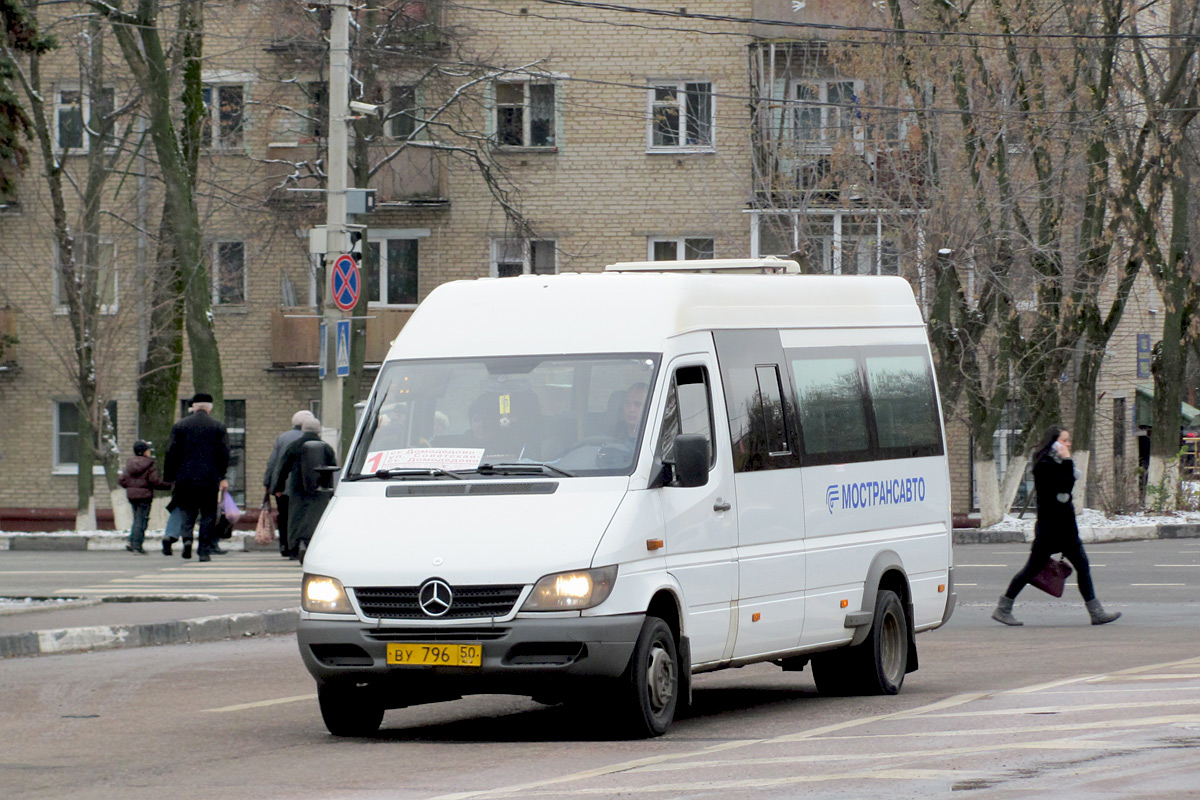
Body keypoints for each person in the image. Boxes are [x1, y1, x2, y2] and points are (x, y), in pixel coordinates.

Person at [992, 426, 1121, 626]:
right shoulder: (1044, 464)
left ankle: (1096, 612)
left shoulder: (1056, 462)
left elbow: (1066, 486)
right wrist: (1068, 460)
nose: (1068, 444)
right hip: (1050, 530)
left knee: (1083, 567)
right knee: (1031, 570)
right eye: (1065, 440)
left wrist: (1066, 462)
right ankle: (1003, 608)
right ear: (1054, 442)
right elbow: (1064, 488)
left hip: (1065, 529)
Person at [163, 393, 231, 562]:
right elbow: (224, 453)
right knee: (208, 515)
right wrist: (221, 475)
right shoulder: (218, 427)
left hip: (185, 479)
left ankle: (187, 541)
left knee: (187, 512)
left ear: (193, 407)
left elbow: (171, 452)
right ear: (210, 408)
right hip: (209, 479)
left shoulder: (180, 426)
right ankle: (204, 551)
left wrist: (170, 476)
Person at [272, 416, 337, 561]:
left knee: (296, 516)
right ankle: (314, 544)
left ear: (303, 429)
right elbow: (333, 467)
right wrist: (331, 489)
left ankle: (295, 547)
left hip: (297, 487)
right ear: (318, 430)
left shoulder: (295, 445)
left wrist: (278, 487)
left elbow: (283, 467)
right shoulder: (325, 447)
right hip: (320, 488)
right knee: (316, 517)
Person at [263, 410, 314, 558]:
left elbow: (273, 462)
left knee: (283, 516)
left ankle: (285, 545)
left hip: (282, 486)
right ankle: (299, 545)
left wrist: (268, 483)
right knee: (301, 516)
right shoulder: (313, 439)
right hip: (305, 486)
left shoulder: (283, 438)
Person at [118, 440, 171, 555]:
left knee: (136, 519)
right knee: (141, 520)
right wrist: (169, 486)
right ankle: (137, 546)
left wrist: (130, 486)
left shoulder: (129, 464)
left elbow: (121, 480)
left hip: (132, 496)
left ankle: (132, 541)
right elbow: (155, 481)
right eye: (147, 450)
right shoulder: (149, 464)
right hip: (145, 496)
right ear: (144, 452)